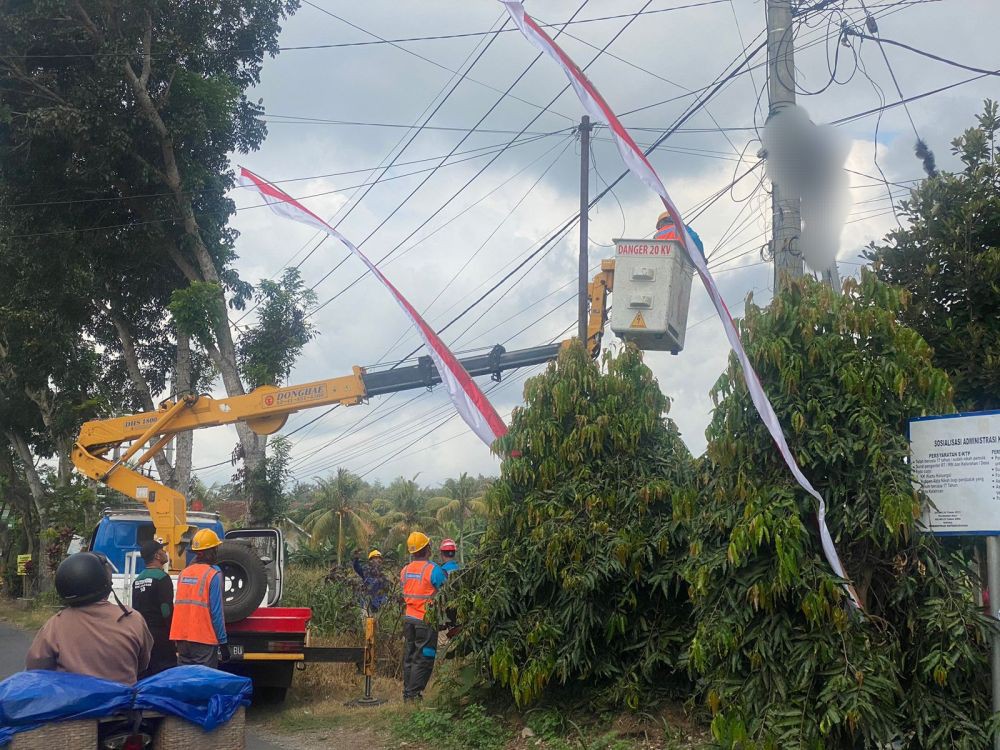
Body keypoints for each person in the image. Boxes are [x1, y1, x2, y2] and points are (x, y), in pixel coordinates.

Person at [26, 552, 153, 684]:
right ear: (106, 585)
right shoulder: (132, 619)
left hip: (74, 702)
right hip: (122, 701)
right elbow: (143, 663)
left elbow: (35, 668)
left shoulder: (55, 625)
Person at [169, 528, 229, 668]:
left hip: (182, 638)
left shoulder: (183, 573)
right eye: (214, 550)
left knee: (185, 681)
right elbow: (216, 613)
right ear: (204, 553)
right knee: (203, 683)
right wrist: (223, 642)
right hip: (203, 640)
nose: (216, 553)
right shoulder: (213, 575)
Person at [400, 531, 446, 702]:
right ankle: (414, 695)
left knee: (410, 656)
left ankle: (407, 693)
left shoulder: (405, 570)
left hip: (409, 619)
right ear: (427, 548)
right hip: (425, 620)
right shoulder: (433, 570)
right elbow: (446, 590)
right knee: (424, 657)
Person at [131, 539, 176, 676]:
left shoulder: (137, 580)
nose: (165, 553)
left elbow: (135, 610)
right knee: (164, 674)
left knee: (145, 673)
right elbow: (166, 610)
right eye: (162, 550)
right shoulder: (162, 578)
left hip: (142, 634)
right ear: (157, 556)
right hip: (161, 636)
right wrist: (172, 633)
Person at [352, 548, 389, 614]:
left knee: (377, 623)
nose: (378, 560)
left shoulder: (383, 573)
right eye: (375, 558)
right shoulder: (365, 570)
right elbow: (357, 568)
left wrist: (384, 601)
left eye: (379, 558)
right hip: (367, 603)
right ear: (371, 560)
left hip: (379, 603)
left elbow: (385, 589)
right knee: (368, 622)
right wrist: (356, 559)